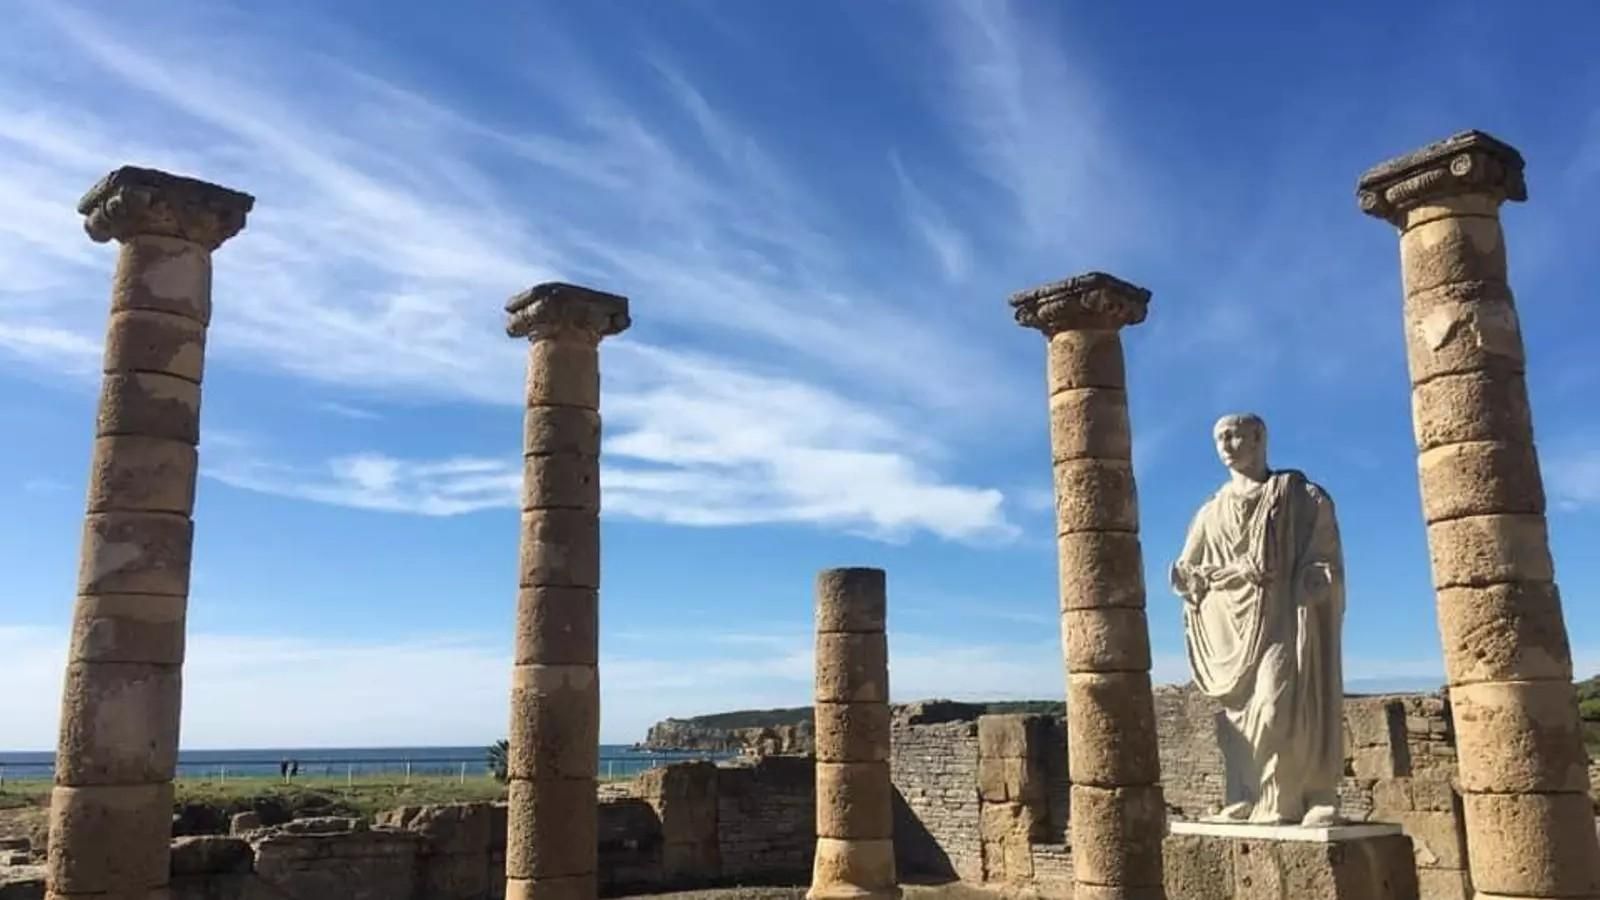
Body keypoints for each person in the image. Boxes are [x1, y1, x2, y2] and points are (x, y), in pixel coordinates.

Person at [1170, 413, 1345, 826]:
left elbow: (1323, 550)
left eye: (1235, 435)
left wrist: (1317, 576)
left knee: (1276, 704)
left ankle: (1294, 797)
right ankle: (1247, 795)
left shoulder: (1298, 495)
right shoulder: (1210, 513)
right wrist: (1190, 579)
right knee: (1236, 723)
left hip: (1282, 618)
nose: (1227, 444)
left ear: (1259, 437)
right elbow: (1186, 567)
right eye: (1219, 438)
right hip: (1228, 628)